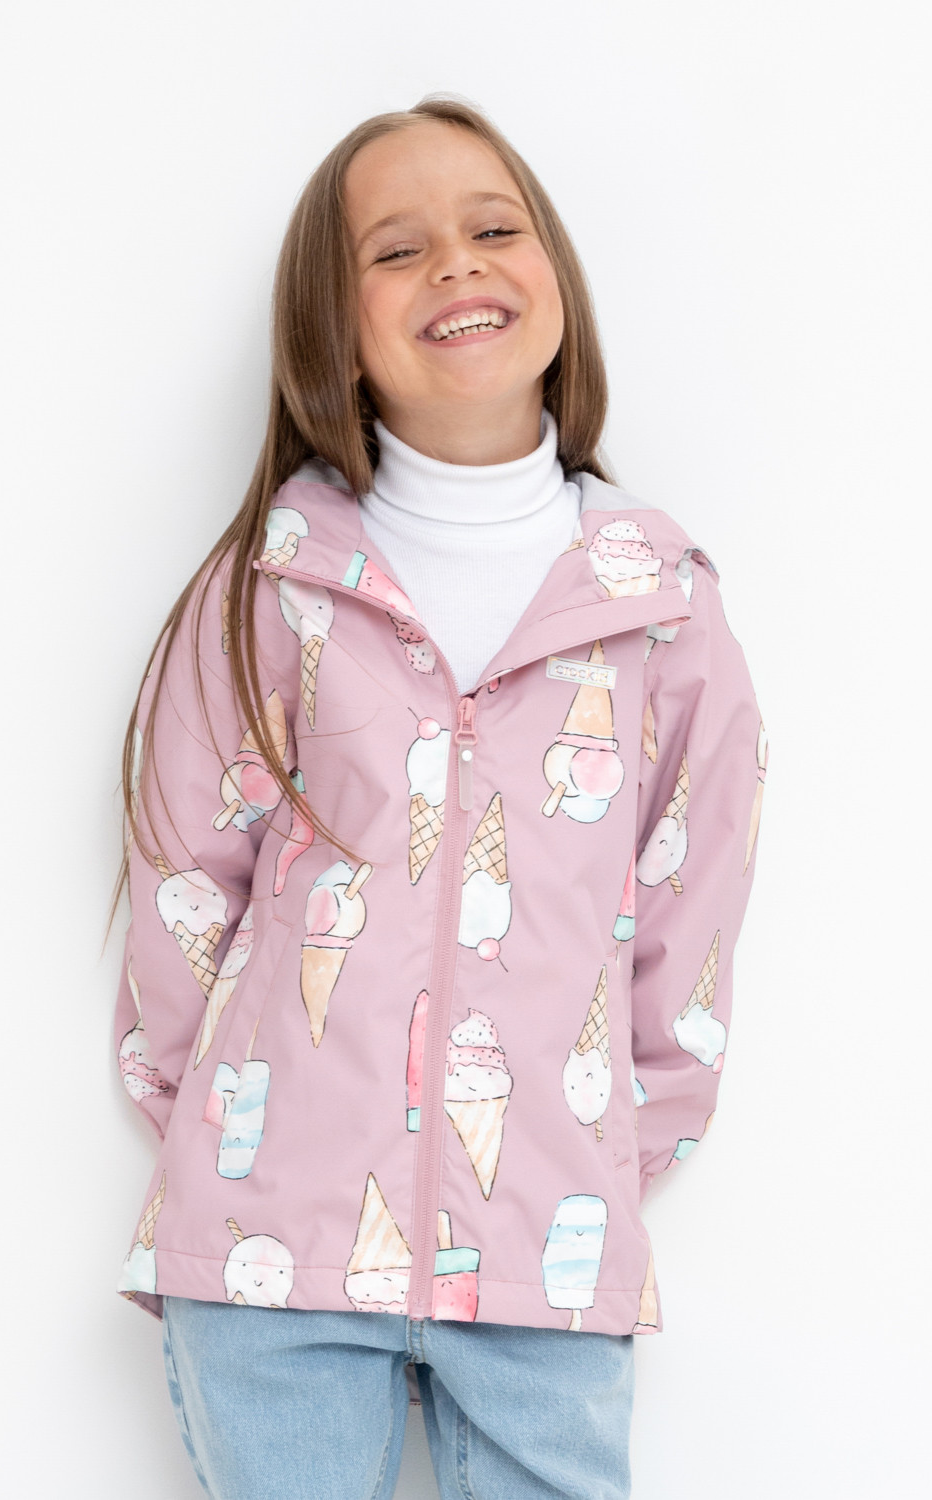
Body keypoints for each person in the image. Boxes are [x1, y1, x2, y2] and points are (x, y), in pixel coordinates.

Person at [111, 94, 766, 1500]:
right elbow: (183, 886)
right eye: (395, 250)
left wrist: (597, 1147)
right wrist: (236, 1135)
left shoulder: (661, 607)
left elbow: (691, 908)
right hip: (272, 1250)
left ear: (556, 277)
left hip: (546, 1253)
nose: (456, 265)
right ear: (332, 331)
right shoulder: (269, 586)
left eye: (493, 229)